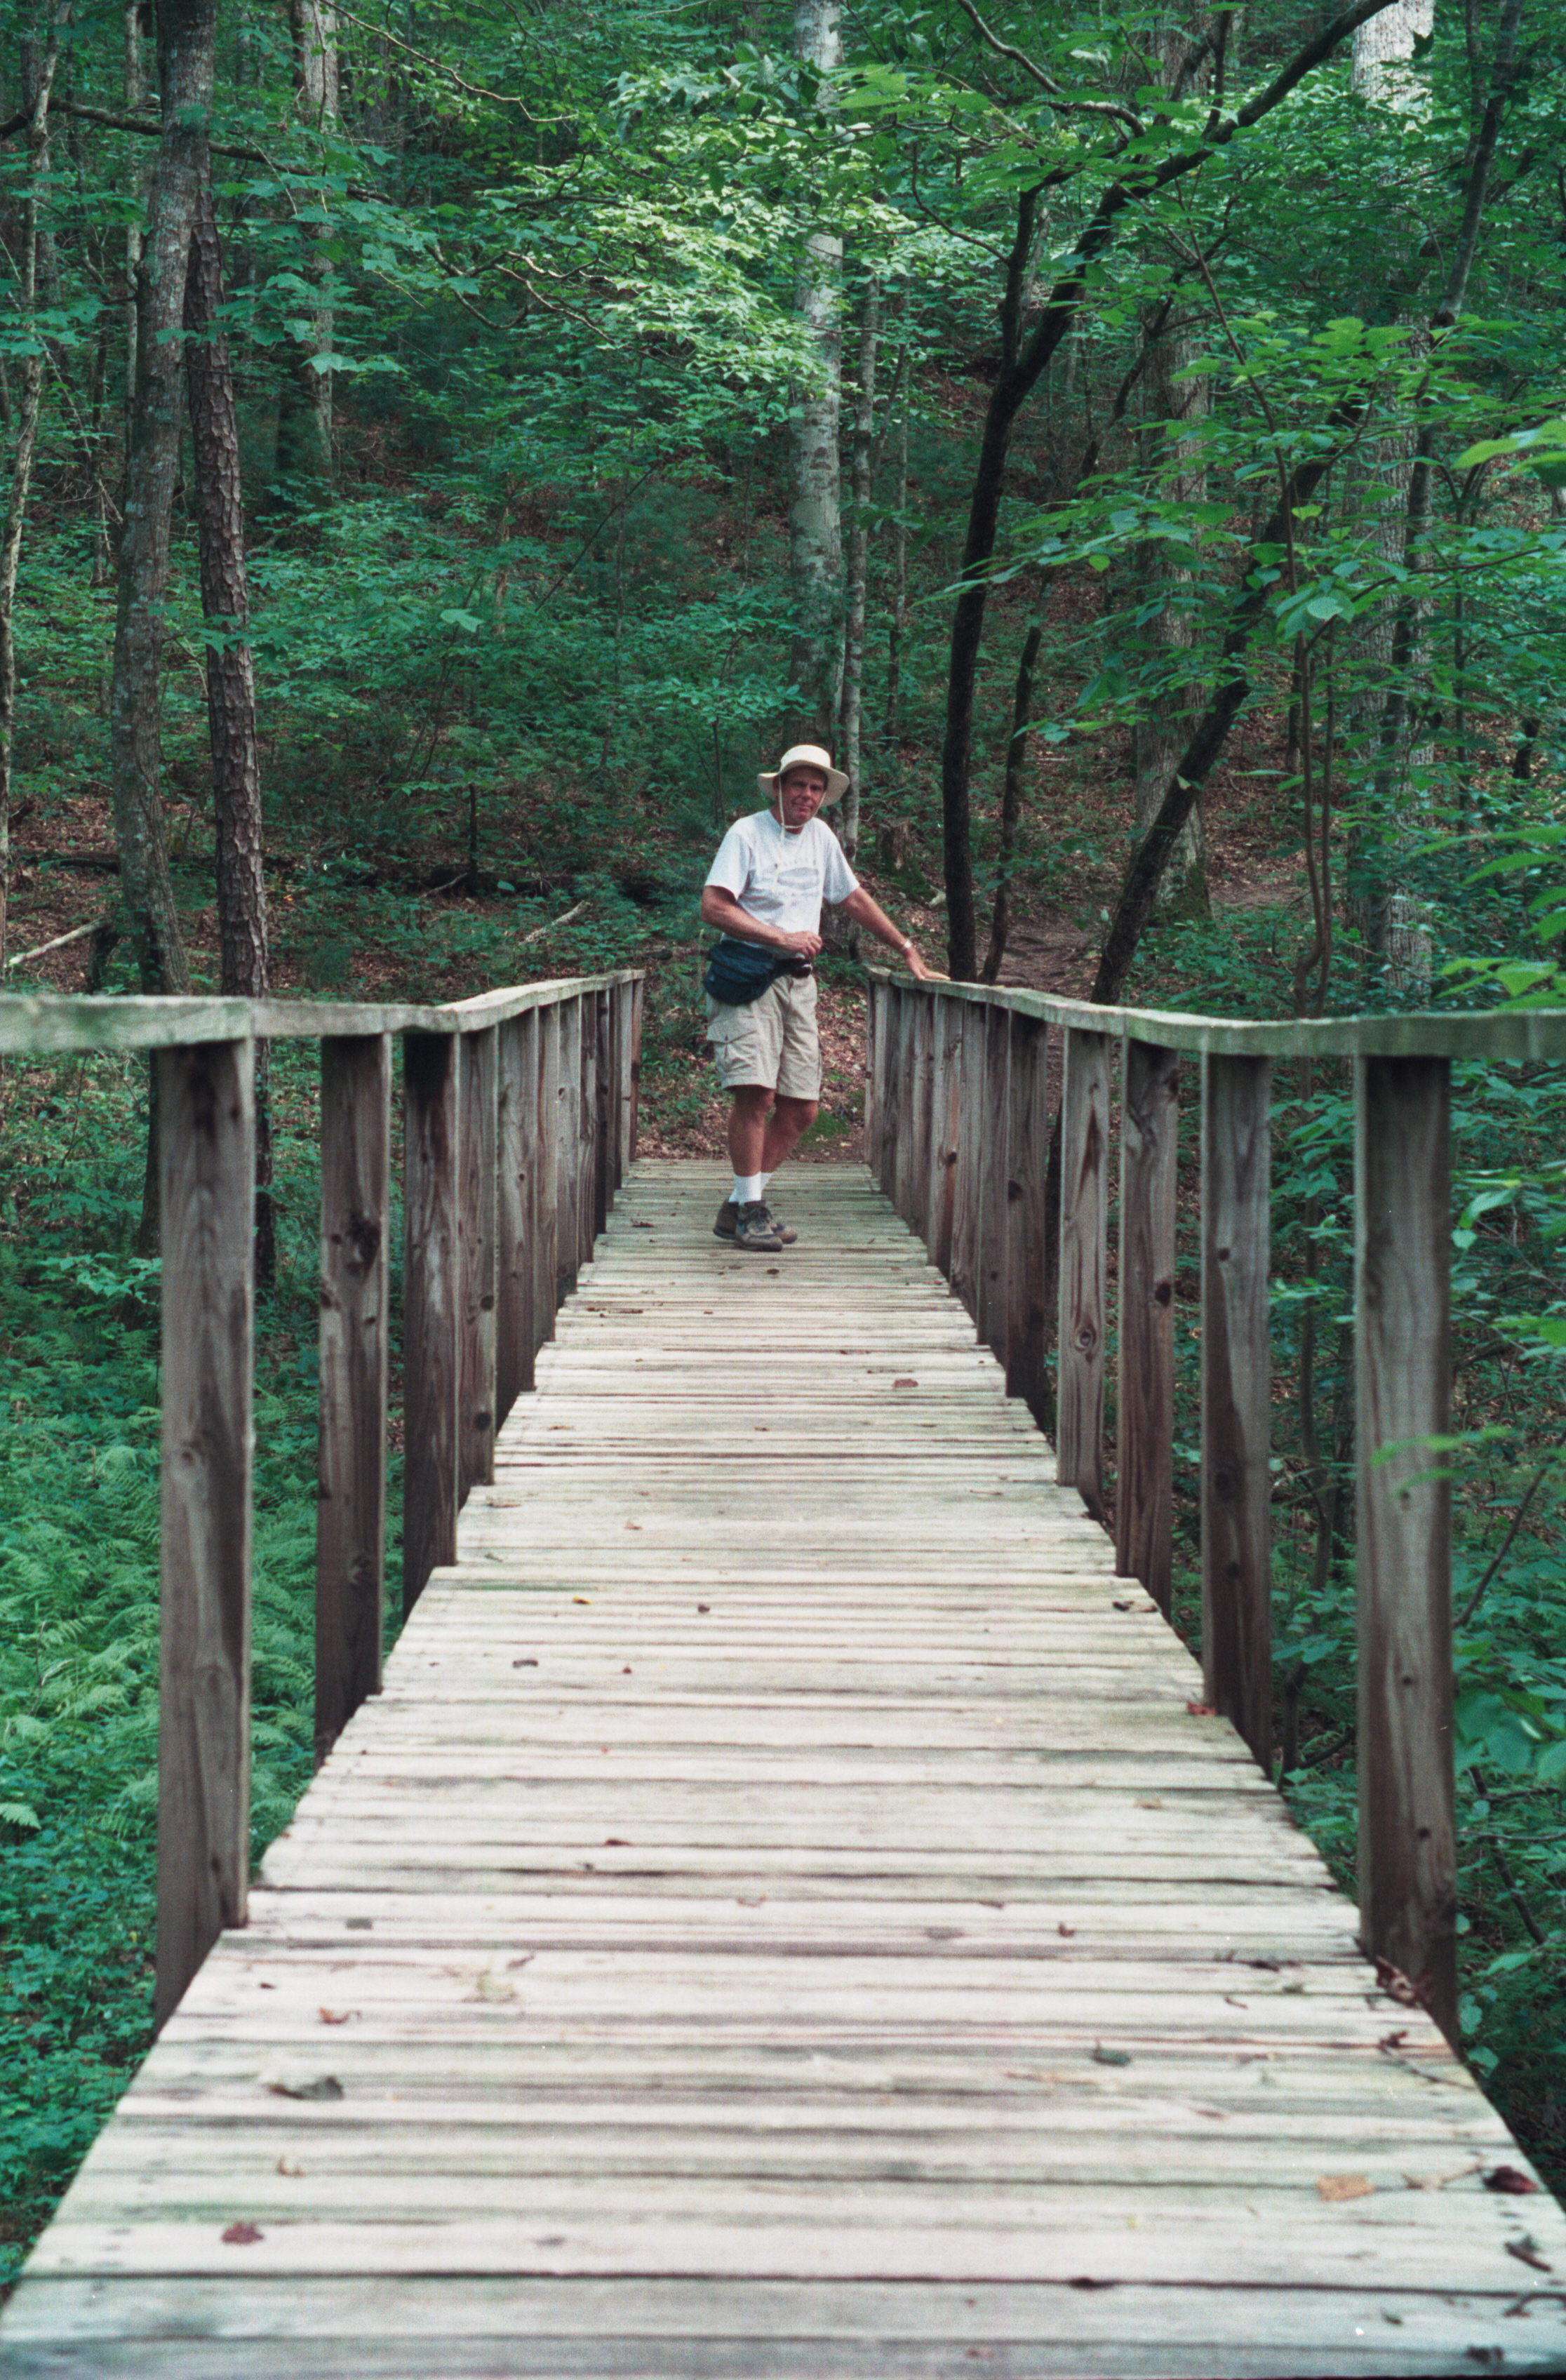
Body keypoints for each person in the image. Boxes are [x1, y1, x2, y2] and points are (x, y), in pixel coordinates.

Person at [700, 742, 935, 1252]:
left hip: (798, 984)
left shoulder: (821, 838)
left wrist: (906, 948)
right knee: (756, 1093)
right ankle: (751, 1210)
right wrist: (778, 936)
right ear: (779, 787)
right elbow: (714, 907)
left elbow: (852, 897)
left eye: (814, 788)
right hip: (747, 976)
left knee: (802, 1108)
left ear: (823, 796)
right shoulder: (746, 834)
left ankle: (740, 1204)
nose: (805, 795)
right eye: (797, 785)